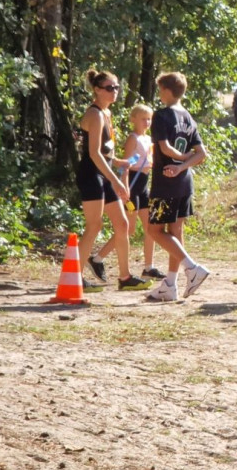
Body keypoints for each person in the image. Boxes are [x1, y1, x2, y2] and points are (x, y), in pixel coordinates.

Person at [75, 70, 153, 293]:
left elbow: (105, 152)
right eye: (110, 88)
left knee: (122, 225)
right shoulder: (96, 114)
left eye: (117, 87)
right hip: (92, 175)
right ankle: (76, 277)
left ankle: (125, 277)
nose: (114, 91)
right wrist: (117, 181)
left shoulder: (106, 113)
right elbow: (93, 154)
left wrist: (121, 162)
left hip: (104, 172)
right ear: (97, 90)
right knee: (94, 226)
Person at [144, 72, 210, 302]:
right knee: (175, 233)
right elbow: (201, 154)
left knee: (154, 231)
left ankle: (192, 269)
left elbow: (164, 148)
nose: (159, 94)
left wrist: (178, 160)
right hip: (184, 182)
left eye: (160, 89)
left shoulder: (161, 116)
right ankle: (170, 285)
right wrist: (184, 166)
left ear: (167, 91)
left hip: (166, 183)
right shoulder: (188, 117)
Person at [93, 104, 165, 281]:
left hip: (144, 186)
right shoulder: (133, 138)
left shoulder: (148, 139)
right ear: (134, 120)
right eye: (143, 119)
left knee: (150, 227)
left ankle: (149, 266)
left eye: (149, 119)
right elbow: (126, 164)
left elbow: (147, 160)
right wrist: (125, 190)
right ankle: (97, 258)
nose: (147, 122)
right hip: (133, 184)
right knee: (129, 229)